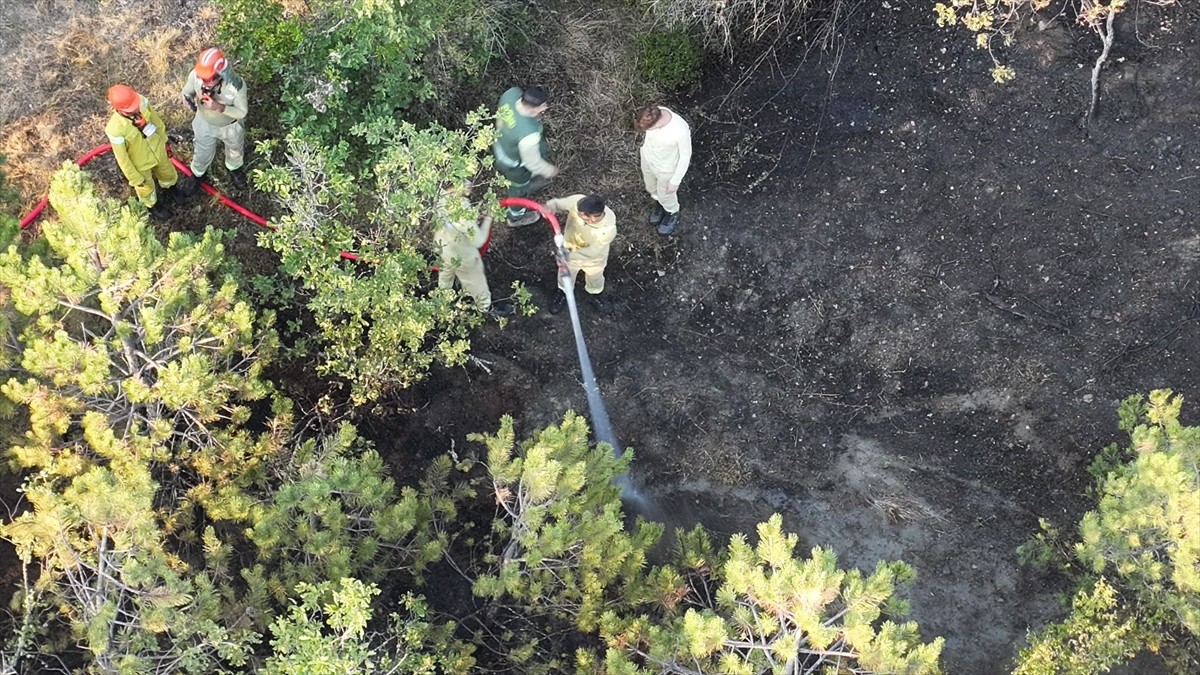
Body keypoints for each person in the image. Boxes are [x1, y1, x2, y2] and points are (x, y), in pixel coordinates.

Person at [104, 84, 178, 220]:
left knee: (167, 171)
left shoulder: (142, 101)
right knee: (146, 188)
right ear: (118, 109)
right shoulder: (115, 129)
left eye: (136, 105)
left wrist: (165, 142)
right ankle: (153, 205)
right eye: (132, 109)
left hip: (158, 149)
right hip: (140, 163)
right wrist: (136, 179)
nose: (137, 109)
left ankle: (171, 188)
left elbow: (157, 122)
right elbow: (123, 159)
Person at [435, 192, 514, 317]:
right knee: (475, 282)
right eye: (464, 181)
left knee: (445, 273)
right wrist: (489, 217)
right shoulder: (462, 212)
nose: (469, 183)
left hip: (443, 246)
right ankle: (485, 306)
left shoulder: (440, 197)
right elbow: (479, 240)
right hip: (463, 255)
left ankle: (444, 298)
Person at [180, 48, 248, 191]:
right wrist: (186, 98)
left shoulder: (236, 87)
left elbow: (242, 112)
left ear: (220, 75)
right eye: (202, 77)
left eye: (208, 79)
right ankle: (198, 175)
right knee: (202, 150)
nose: (203, 82)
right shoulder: (196, 76)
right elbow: (187, 91)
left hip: (231, 126)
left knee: (234, 148)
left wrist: (220, 107)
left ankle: (234, 169)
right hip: (204, 122)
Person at [494, 86, 558, 227]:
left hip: (501, 144)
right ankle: (515, 218)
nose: (545, 108)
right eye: (542, 106)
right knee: (518, 190)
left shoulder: (511, 94)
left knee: (540, 150)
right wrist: (550, 171)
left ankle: (533, 178)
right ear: (533, 108)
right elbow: (531, 162)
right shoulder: (528, 134)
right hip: (513, 163)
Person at [544, 194, 616, 315]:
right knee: (565, 276)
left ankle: (595, 294)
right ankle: (563, 292)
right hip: (569, 252)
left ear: (592, 218)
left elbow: (594, 251)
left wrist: (567, 255)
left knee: (595, 277)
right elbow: (558, 203)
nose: (577, 213)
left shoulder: (608, 229)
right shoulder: (578, 202)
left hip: (594, 260)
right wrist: (548, 207)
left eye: (580, 215)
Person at [634, 105, 692, 235]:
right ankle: (660, 203)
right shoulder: (653, 111)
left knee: (666, 194)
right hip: (648, 159)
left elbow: (685, 156)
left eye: (650, 129)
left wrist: (675, 181)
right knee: (651, 187)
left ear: (658, 122)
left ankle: (672, 212)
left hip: (666, 169)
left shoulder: (680, 130)